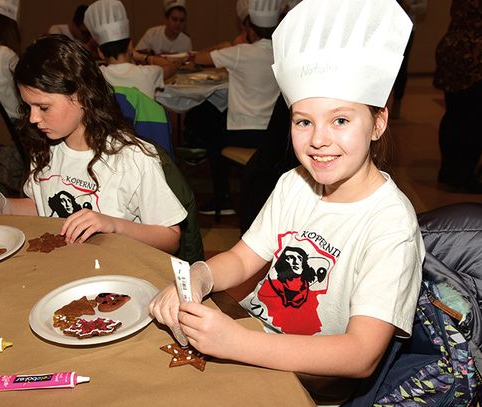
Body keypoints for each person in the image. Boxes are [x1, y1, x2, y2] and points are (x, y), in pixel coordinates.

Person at [149, 0, 424, 404]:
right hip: (253, 334)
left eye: (341, 120)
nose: (318, 139)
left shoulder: (390, 225)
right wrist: (202, 274)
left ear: (378, 123)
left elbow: (360, 355)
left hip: (311, 383)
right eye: (303, 120)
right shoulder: (295, 183)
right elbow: (245, 258)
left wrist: (235, 343)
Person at [0, 34, 187, 254]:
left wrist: (113, 225)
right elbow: (42, 206)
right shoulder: (48, 148)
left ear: (81, 95)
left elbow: (170, 238)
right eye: (29, 107)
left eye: (43, 107)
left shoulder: (132, 158)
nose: (33, 118)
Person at [187, 0, 282, 215]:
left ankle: (223, 198)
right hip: (273, 133)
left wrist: (224, 45)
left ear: (251, 30)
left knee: (210, 136)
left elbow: (200, 58)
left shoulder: (241, 52)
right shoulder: (282, 52)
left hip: (243, 132)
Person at [84, 0, 178, 99]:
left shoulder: (96, 77)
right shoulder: (148, 74)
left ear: (100, 53)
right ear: (130, 46)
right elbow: (172, 66)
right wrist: (142, 56)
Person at [434, 0, 482, 194]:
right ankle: (464, 175)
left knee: (454, 114)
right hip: (475, 57)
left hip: (453, 49)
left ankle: (448, 171)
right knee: (474, 120)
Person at [389, 0, 427, 119]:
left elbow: (423, 7)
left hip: (406, 29)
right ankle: (377, 104)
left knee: (401, 67)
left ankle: (397, 101)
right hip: (385, 27)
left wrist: (408, 7)